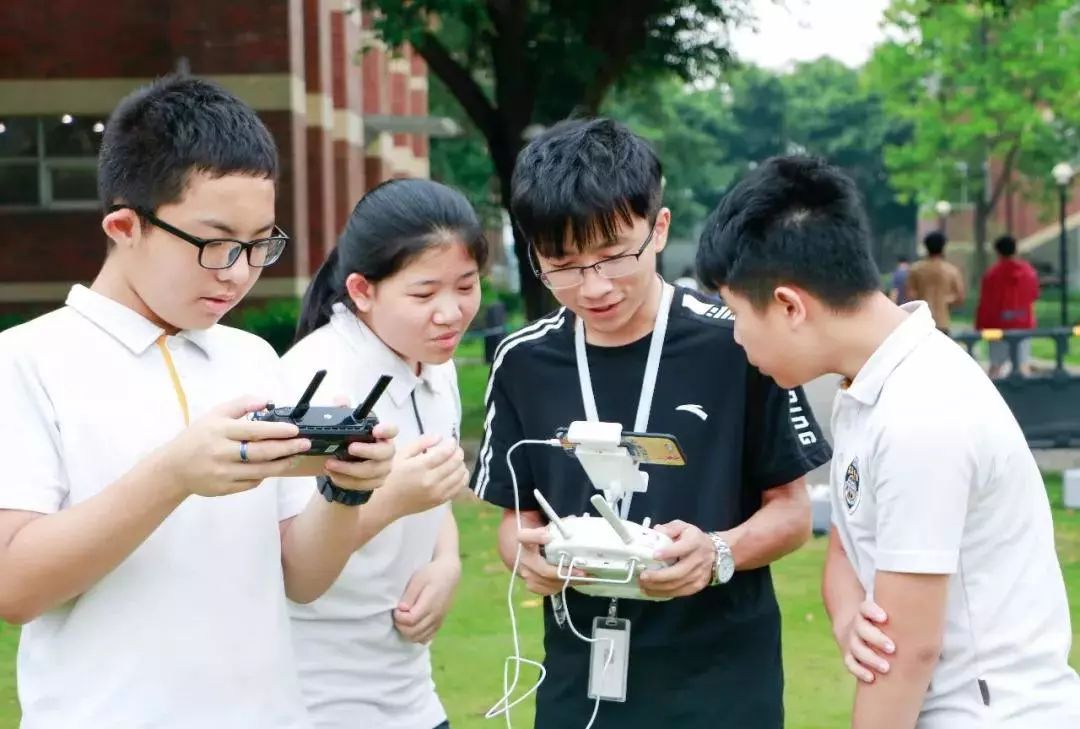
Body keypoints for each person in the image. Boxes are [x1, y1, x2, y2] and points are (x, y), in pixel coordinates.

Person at [0, 75, 398, 728]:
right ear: (125, 226)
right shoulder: (27, 361)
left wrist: (345, 489)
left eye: (259, 244)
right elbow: (15, 588)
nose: (239, 272)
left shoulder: (251, 358)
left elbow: (300, 578)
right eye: (215, 244)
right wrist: (173, 473)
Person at [696, 154, 1080, 729]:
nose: (735, 336)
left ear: (789, 306)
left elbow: (906, 652)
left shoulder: (919, 415)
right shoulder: (870, 381)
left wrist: (868, 628)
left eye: (735, 313)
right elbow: (849, 544)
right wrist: (848, 612)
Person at [471, 118, 831, 728]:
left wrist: (716, 552)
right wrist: (527, 558)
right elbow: (517, 519)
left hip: (721, 685)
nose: (594, 287)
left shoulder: (738, 342)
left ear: (658, 228)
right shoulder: (524, 361)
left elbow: (793, 514)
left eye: (614, 256)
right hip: (579, 684)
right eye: (562, 264)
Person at [280, 179, 484, 729]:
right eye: (424, 294)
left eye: (466, 286)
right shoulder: (319, 382)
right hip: (320, 701)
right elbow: (294, 567)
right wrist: (393, 498)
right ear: (362, 290)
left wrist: (446, 563)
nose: (450, 313)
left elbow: (433, 486)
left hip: (411, 692)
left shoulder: (434, 365)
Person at [975, 235, 1040, 378]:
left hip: (998, 325)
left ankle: (993, 390)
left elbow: (985, 303)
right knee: (1023, 364)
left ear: (997, 252)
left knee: (996, 365)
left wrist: (980, 326)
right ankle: (1024, 390)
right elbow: (1034, 295)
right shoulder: (1028, 272)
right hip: (1023, 323)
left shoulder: (992, 275)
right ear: (1015, 250)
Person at [906, 231, 965, 334]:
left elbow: (910, 295)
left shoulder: (916, 270)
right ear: (943, 247)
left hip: (922, 322)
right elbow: (959, 297)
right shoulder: (951, 271)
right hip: (942, 322)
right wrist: (945, 302)